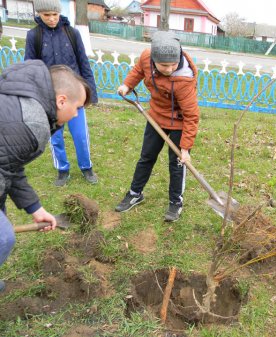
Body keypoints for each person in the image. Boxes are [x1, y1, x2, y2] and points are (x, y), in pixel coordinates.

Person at [0, 60, 91, 293]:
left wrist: (35, 208)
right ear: (61, 100)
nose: (77, 114)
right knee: (4, 238)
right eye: (78, 107)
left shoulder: (23, 98)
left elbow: (9, 163)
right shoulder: (31, 123)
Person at [115, 30, 200, 222]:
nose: (169, 69)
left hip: (179, 123)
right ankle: (135, 193)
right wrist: (127, 85)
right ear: (153, 59)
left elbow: (191, 115)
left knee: (177, 164)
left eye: (173, 64)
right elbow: (138, 70)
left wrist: (185, 148)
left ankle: (176, 202)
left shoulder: (185, 80)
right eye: (164, 65)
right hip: (155, 117)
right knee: (146, 157)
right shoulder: (147, 57)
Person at [24, 0, 99, 187]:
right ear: (39, 14)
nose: (51, 19)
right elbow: (31, 68)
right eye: (46, 15)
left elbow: (84, 63)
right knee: (55, 136)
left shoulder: (72, 33)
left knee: (80, 135)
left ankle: (86, 167)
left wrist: (91, 94)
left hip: (74, 95)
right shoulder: (34, 36)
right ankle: (62, 169)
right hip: (49, 97)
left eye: (54, 15)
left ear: (60, 13)